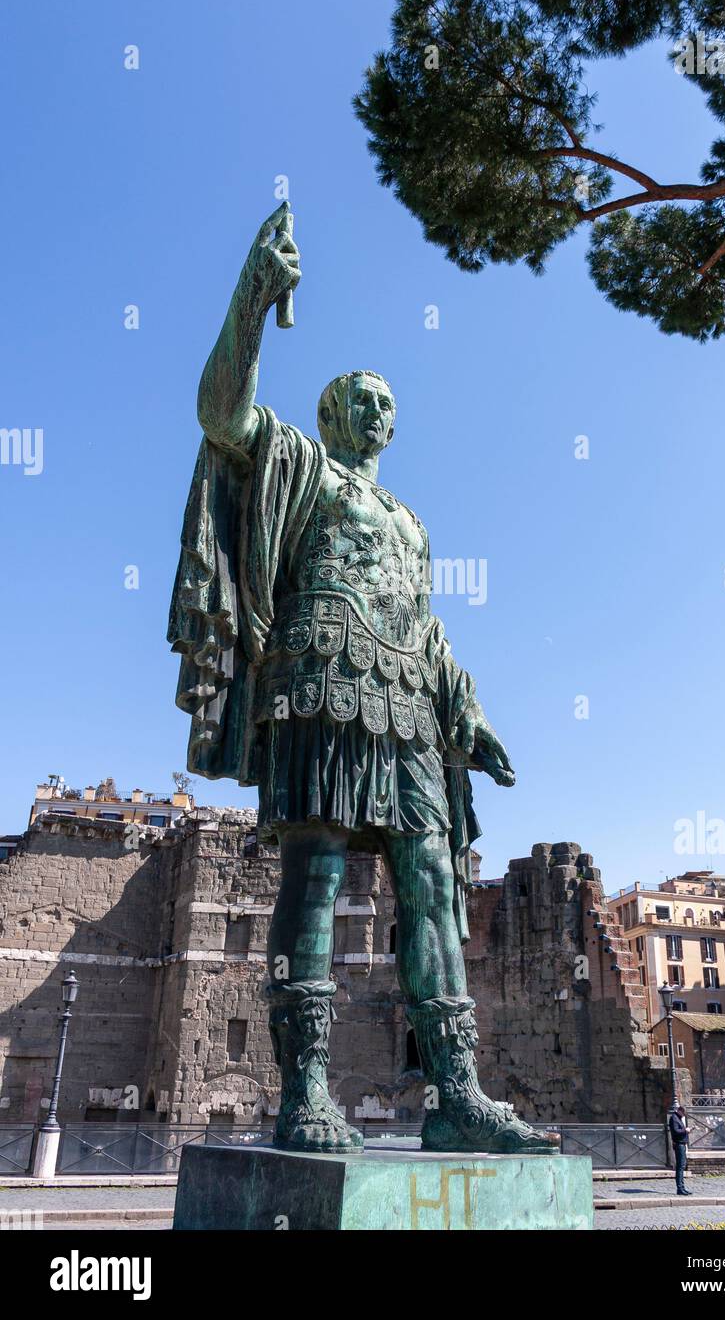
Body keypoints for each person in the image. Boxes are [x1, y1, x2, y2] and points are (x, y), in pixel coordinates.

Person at [168, 204, 558, 1157]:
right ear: (331, 414)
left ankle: (457, 1095)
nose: (377, 410)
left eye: (387, 401)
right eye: (359, 398)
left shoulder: (413, 521)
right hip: (320, 682)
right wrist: (255, 296)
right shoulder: (302, 465)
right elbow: (221, 411)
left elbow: (426, 630)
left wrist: (471, 710)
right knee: (315, 875)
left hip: (410, 707)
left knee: (432, 880)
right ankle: (304, 1092)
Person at [668, 1102, 692, 1195]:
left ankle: (682, 1187)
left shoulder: (678, 1118)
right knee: (680, 1167)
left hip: (681, 1144)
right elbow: (675, 1131)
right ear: (680, 1111)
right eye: (683, 1114)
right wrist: (685, 1130)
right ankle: (680, 1188)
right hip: (679, 1144)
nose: (684, 1116)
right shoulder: (674, 1118)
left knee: (682, 1166)